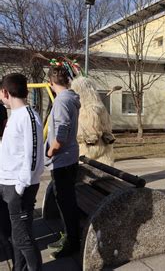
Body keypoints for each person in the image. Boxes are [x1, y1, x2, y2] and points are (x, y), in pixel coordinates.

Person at [0, 73, 44, 270]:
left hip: (19, 187)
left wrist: (19, 188)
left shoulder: (27, 116)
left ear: (5, 92)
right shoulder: (16, 115)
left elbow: (33, 156)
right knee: (18, 237)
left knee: (23, 239)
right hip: (9, 184)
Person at [45, 65, 82, 258]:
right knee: (66, 201)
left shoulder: (61, 101)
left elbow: (62, 133)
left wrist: (50, 152)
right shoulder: (70, 98)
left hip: (62, 160)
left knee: (66, 203)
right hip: (68, 159)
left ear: (51, 83)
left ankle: (72, 242)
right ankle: (68, 235)